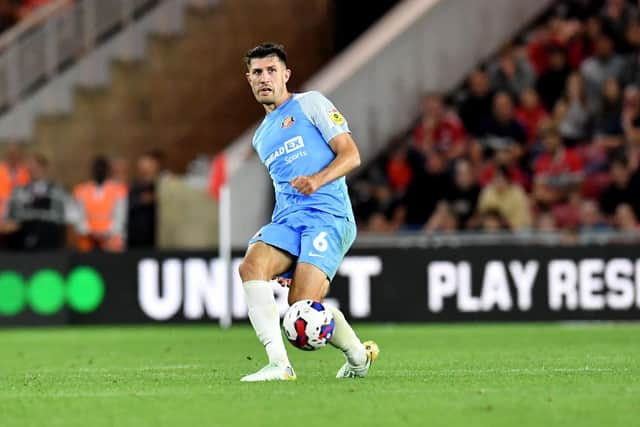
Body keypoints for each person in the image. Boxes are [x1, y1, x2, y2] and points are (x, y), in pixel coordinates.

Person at [238, 43, 378, 382]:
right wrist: (289, 252)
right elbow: (284, 188)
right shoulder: (261, 137)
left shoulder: (310, 103)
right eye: (257, 72)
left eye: (272, 70)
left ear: (286, 75)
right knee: (251, 265)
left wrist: (318, 180)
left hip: (328, 216)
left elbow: (351, 155)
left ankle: (358, 356)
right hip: (289, 220)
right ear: (249, 79)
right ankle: (278, 365)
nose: (264, 78)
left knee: (299, 315)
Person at [3, 153, 71, 250]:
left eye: (36, 167)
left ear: (44, 168)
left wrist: (36, 215)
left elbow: (61, 216)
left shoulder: (57, 190)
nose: (33, 170)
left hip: (49, 241)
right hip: (23, 242)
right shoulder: (19, 191)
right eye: (30, 167)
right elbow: (11, 216)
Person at [73, 156, 128, 252]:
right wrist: (89, 232)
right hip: (87, 241)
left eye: (102, 167)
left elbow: (120, 217)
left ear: (108, 170)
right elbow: (78, 216)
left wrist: (106, 233)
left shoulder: (118, 189)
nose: (99, 170)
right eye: (96, 168)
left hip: (112, 241)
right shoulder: (81, 190)